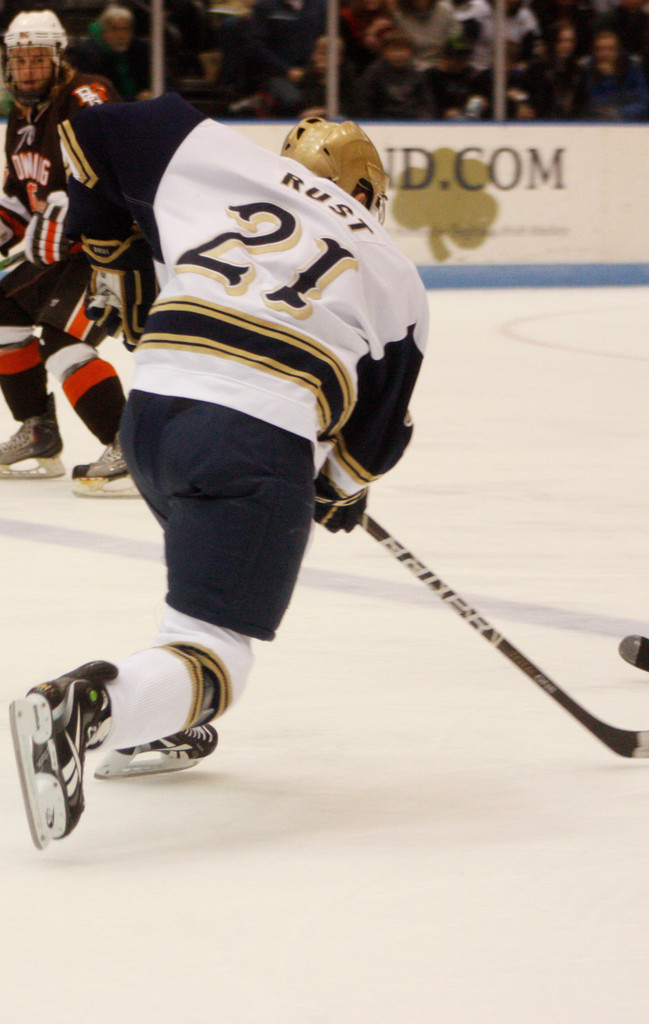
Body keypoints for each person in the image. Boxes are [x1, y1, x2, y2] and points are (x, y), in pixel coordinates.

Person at [9, 98, 429, 849]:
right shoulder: (394, 271)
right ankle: (96, 709)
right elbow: (372, 444)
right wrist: (332, 493)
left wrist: (114, 256)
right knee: (221, 649)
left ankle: (160, 716)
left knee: (198, 580)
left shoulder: (232, 175)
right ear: (366, 189)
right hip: (249, 437)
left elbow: (91, 131)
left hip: (150, 415)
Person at [0, 9, 135, 495]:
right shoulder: (21, 118)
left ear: (58, 58)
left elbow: (119, 161)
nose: (28, 70)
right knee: (2, 313)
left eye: (38, 59)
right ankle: (38, 431)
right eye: (19, 60)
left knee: (62, 342)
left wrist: (75, 203)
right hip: (62, 253)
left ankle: (128, 447)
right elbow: (20, 199)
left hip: (109, 246)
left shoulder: (86, 94)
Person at [66, 4, 153, 101]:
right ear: (104, 31)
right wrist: (135, 99)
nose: (121, 35)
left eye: (126, 29)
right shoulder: (87, 55)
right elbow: (95, 95)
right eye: (115, 29)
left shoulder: (141, 50)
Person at [357, 26, 436, 117]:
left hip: (412, 120)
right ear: (384, 52)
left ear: (410, 51)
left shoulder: (417, 72)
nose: (398, 54)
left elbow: (426, 102)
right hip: (382, 120)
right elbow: (365, 102)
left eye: (402, 50)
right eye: (393, 50)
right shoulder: (373, 73)